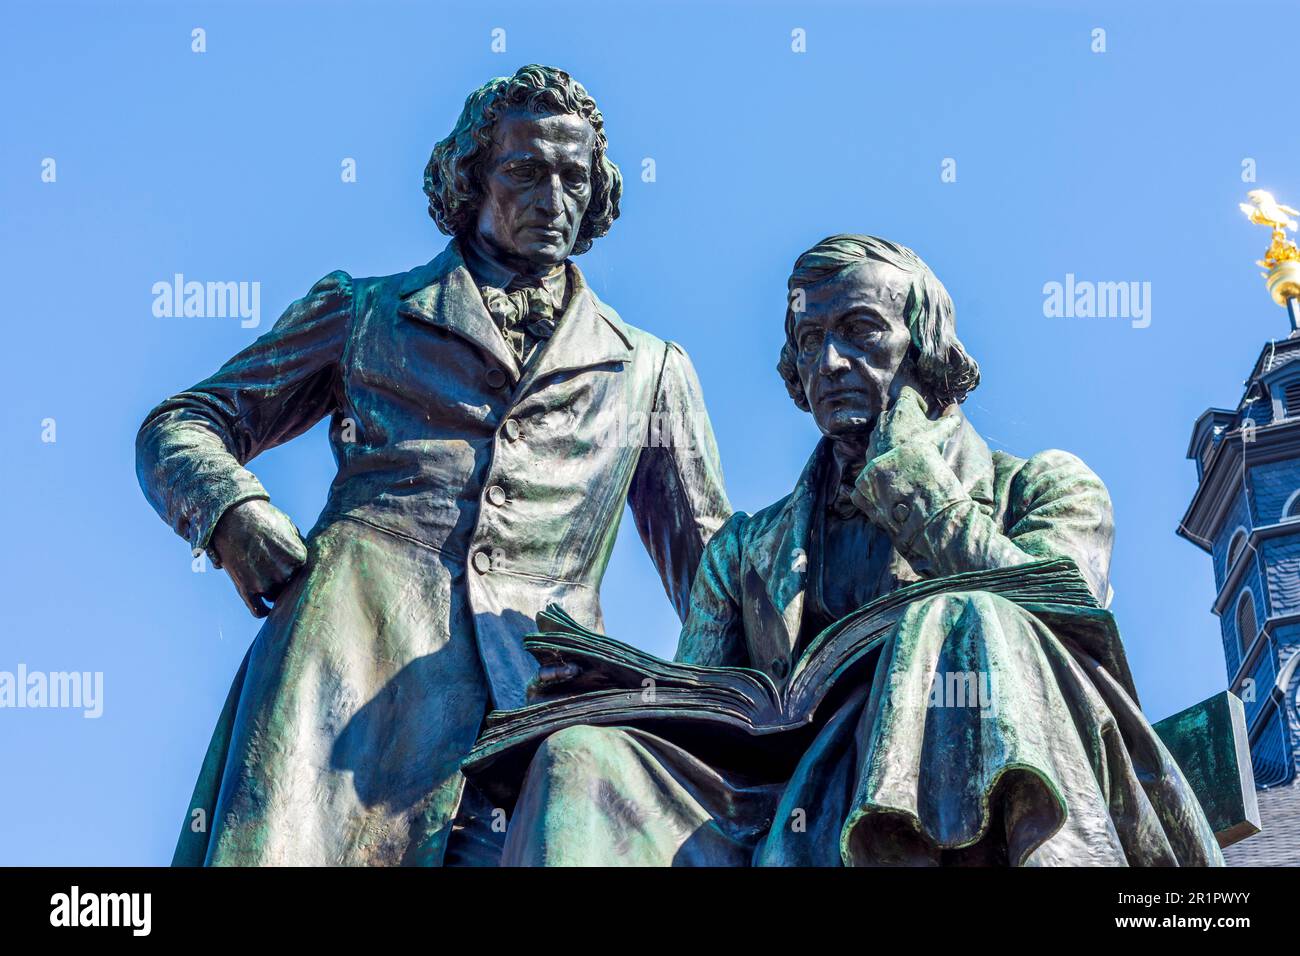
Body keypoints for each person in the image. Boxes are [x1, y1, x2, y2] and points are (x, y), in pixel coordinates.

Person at [136, 65, 730, 866]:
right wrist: (231, 511)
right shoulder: (365, 313)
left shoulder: (651, 371)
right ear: (471, 179)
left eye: (574, 177)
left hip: (544, 711)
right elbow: (182, 422)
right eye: (525, 171)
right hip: (344, 669)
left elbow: (716, 583)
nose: (553, 198)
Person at [499, 235, 1224, 866]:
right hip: (781, 800)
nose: (831, 361)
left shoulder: (1047, 485)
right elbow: (706, 718)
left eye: (861, 332)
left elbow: (1067, 614)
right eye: (810, 341)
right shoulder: (745, 551)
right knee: (582, 758)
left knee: (963, 616)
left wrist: (912, 487)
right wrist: (621, 697)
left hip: (983, 778)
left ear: (925, 349)